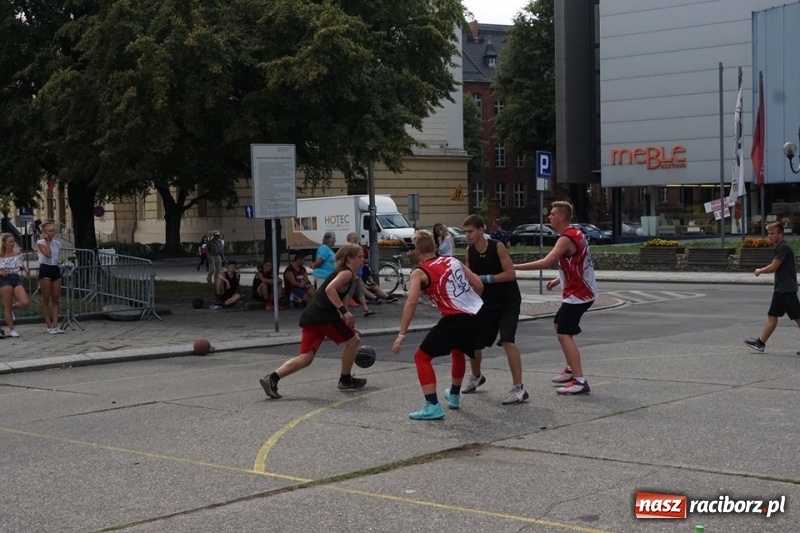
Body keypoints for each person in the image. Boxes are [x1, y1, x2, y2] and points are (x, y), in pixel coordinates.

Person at [392, 230, 484, 420]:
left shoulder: (420, 271)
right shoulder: (453, 261)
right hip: (476, 314)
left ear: (417, 251)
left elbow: (411, 302)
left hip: (455, 318)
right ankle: (454, 396)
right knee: (458, 352)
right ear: (435, 247)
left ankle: (432, 405)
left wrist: (401, 334)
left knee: (421, 357)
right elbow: (479, 286)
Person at [259, 243, 367, 399]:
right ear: (349, 259)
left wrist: (345, 317)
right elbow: (330, 290)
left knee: (306, 357)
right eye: (359, 257)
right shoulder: (346, 273)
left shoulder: (347, 274)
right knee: (353, 341)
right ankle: (345, 380)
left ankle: (271, 378)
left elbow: (342, 299)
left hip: (311, 316)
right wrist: (344, 312)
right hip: (323, 316)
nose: (362, 259)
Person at [514, 201, 597, 395]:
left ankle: (579, 381)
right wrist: (558, 279)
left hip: (579, 294)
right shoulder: (575, 233)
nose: (549, 216)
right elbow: (577, 263)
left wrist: (514, 267)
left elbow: (547, 261)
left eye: (552, 214)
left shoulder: (566, 238)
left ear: (561, 216)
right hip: (580, 290)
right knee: (558, 324)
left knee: (563, 334)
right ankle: (570, 369)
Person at [462, 214, 528, 405]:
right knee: (473, 342)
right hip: (486, 303)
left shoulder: (496, 246)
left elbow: (510, 274)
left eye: (471, 231)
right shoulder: (469, 251)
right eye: (465, 232)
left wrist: (484, 279)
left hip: (508, 301)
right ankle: (476, 377)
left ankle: (519, 388)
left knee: (507, 340)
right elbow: (470, 277)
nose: (467, 235)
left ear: (481, 230)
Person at [744, 221, 800, 353]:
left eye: (772, 233)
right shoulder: (781, 246)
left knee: (798, 318)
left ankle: (760, 343)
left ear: (781, 234)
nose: (770, 236)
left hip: (786, 289)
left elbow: (774, 266)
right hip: (781, 289)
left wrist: (760, 271)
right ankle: (760, 343)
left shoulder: (783, 247)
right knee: (772, 316)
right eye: (768, 233)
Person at [0, 233, 31, 338]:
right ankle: (12, 329)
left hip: (15, 278)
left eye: (13, 241)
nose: (12, 244)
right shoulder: (0, 254)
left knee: (24, 302)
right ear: (4, 243)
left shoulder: (17, 253)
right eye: (9, 242)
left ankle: (11, 309)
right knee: (7, 304)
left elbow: (19, 265)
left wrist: (25, 268)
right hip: (4, 280)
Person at [36, 222, 63, 334]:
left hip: (55, 268)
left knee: (55, 298)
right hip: (45, 268)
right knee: (46, 297)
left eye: (53, 230)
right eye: (50, 231)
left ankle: (56, 325)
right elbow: (48, 254)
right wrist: (47, 241)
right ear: (45, 232)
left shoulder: (57, 243)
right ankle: (49, 325)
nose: (52, 233)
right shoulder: (40, 242)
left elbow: (56, 257)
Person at [346, 232, 376, 317]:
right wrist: (352, 273)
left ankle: (366, 309)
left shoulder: (357, 248)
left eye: (356, 238)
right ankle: (345, 310)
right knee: (350, 293)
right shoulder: (348, 249)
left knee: (360, 292)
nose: (356, 239)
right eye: (353, 238)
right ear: (349, 240)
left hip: (358, 274)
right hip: (352, 275)